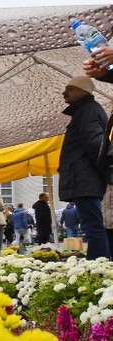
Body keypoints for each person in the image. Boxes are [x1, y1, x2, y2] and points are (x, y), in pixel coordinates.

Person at [56, 75, 110, 259]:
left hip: (84, 177)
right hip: (84, 177)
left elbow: (96, 145)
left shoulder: (88, 111)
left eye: (70, 88)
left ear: (84, 91)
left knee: (93, 227)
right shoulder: (86, 110)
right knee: (92, 226)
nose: (64, 92)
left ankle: (98, 267)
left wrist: (108, 174)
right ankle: (97, 265)